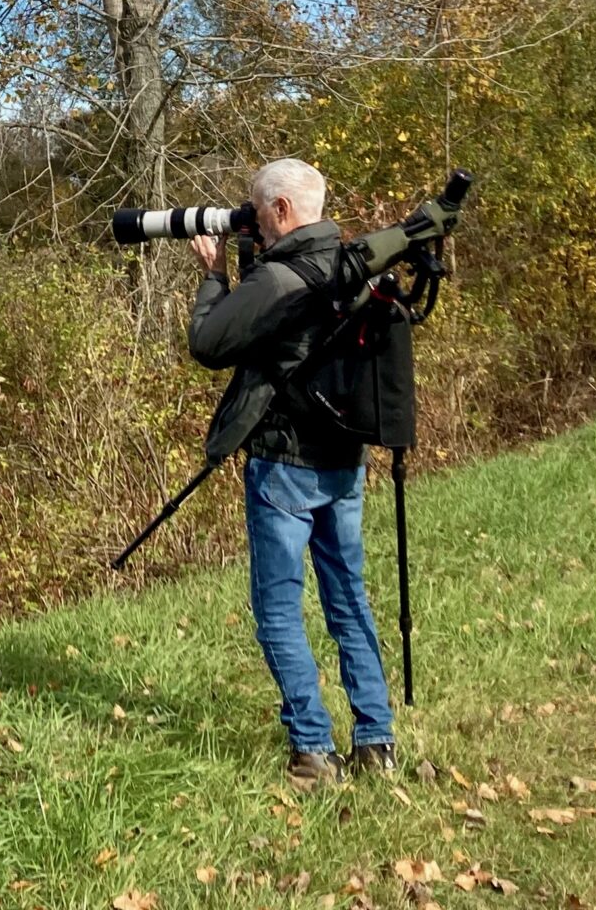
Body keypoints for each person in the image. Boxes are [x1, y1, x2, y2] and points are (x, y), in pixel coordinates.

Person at [186, 156, 397, 790]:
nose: (252, 220)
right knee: (348, 598)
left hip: (285, 465)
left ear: (281, 210)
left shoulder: (278, 280)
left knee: (278, 608)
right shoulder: (354, 264)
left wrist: (214, 275)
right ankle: (376, 743)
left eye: (257, 209)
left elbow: (209, 345)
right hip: (345, 461)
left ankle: (312, 750)